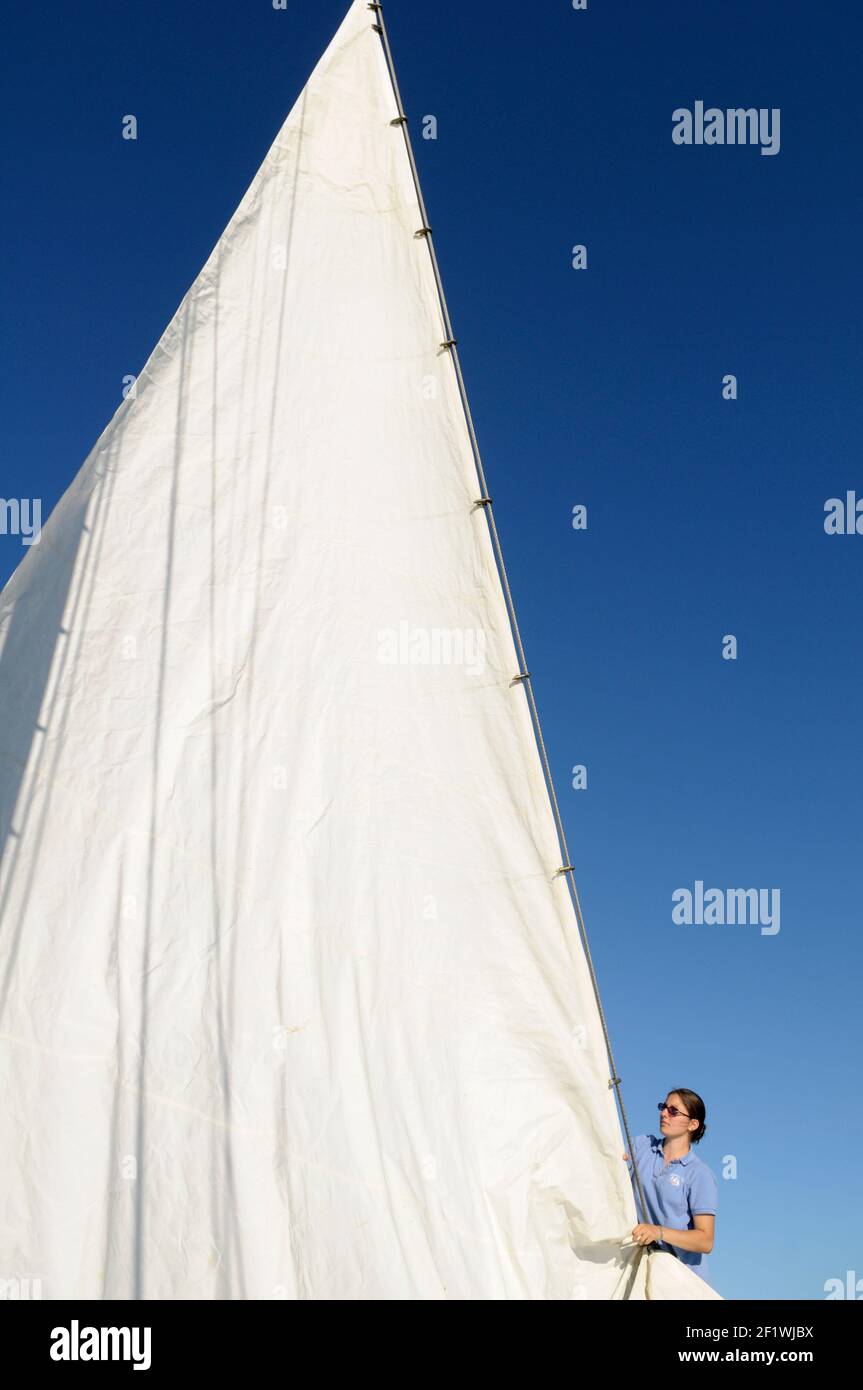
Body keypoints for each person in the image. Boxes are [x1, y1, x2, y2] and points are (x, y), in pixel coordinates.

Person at [622, 1088, 718, 1287]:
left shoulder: (699, 1174)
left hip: (683, 1283)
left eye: (673, 1111)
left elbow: (705, 1241)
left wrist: (658, 1232)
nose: (663, 1113)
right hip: (642, 1270)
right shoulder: (641, 1146)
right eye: (663, 1107)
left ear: (693, 1124)